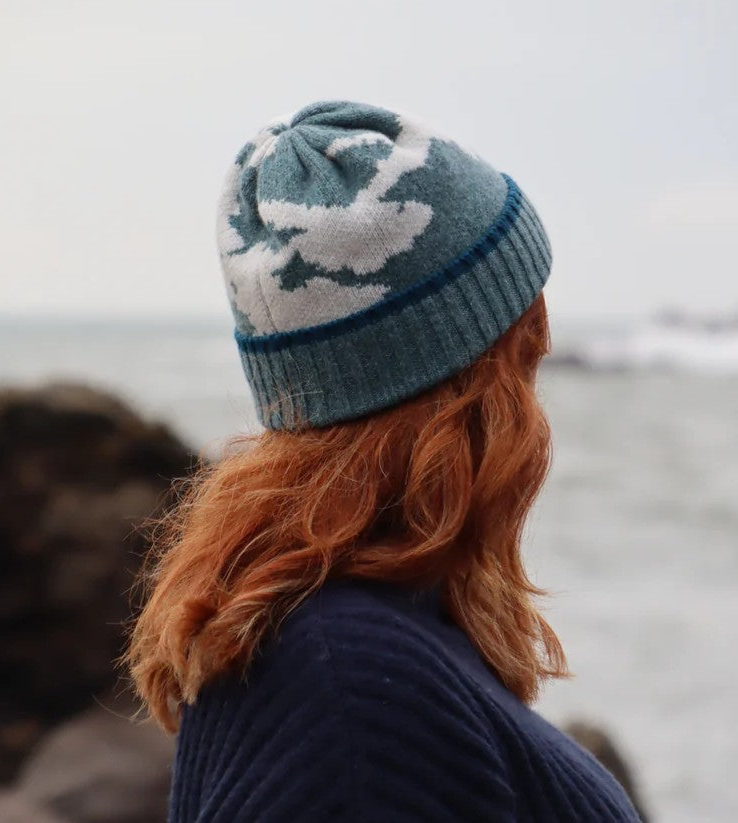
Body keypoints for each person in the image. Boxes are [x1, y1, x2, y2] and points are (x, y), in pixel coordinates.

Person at [127, 100, 642, 822]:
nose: (536, 412)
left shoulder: (355, 642)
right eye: (526, 357)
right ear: (465, 392)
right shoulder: (350, 688)